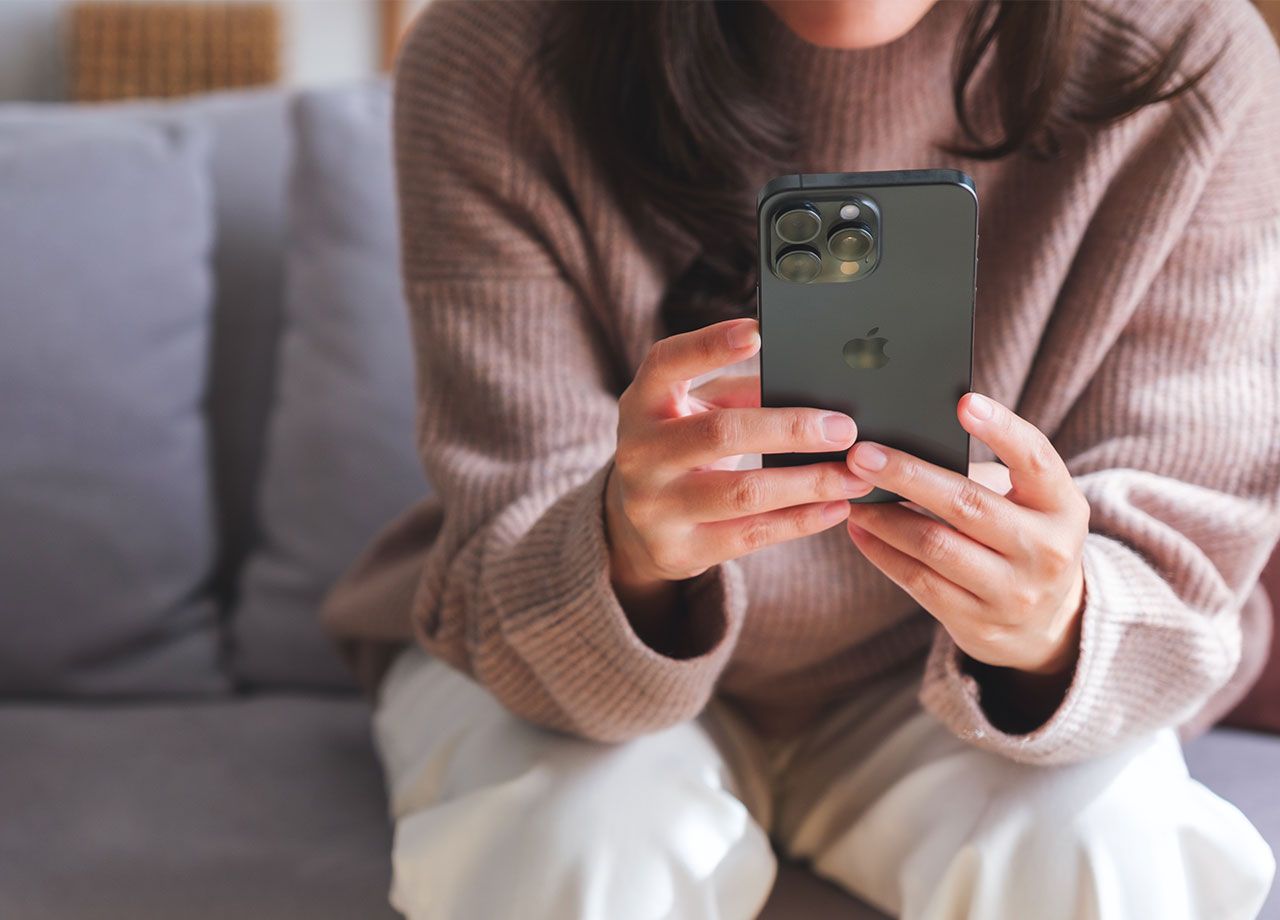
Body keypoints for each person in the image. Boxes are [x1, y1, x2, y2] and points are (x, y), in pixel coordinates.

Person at [321, 1, 1280, 917]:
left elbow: (1185, 573)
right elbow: (520, 575)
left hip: (937, 681)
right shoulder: (495, 50)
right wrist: (626, 551)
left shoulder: (1187, 62)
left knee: (1111, 848)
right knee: (574, 844)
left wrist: (1052, 623)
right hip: (568, 649)